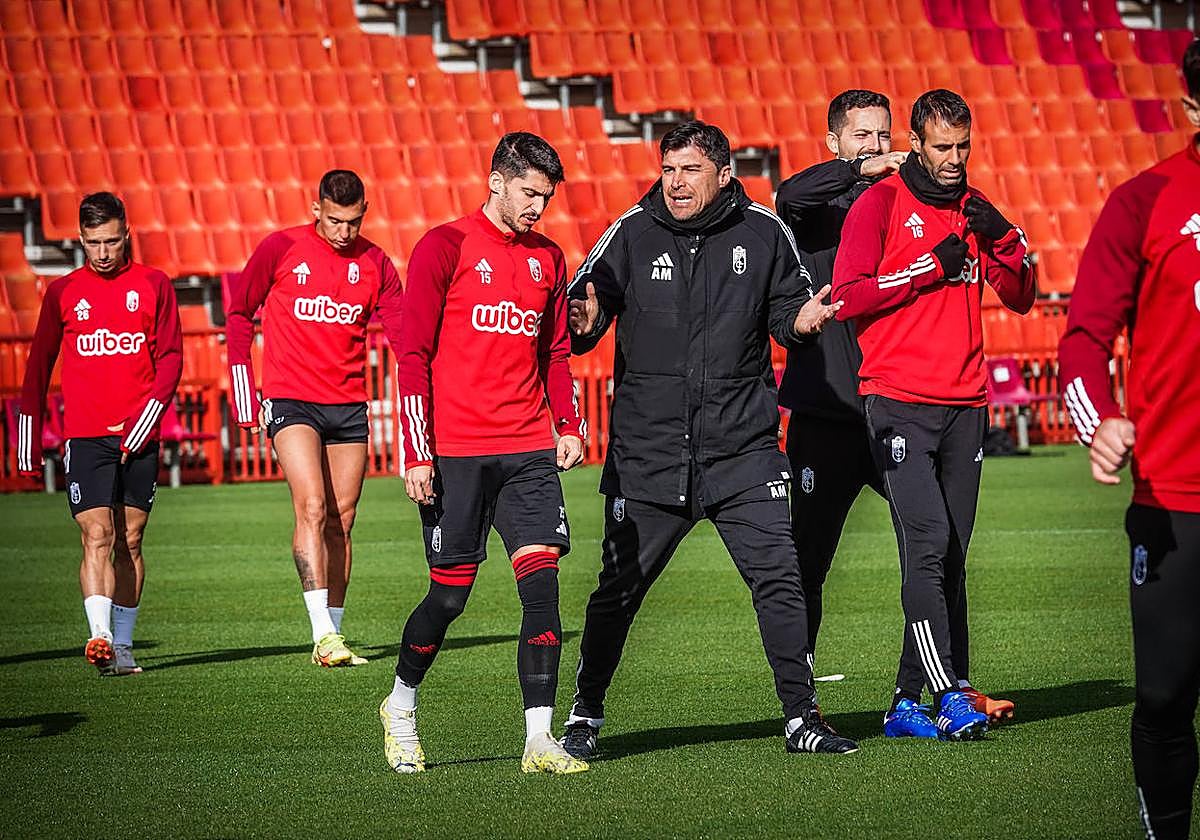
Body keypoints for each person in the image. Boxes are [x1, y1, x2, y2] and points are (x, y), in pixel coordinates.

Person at [561, 120, 856, 759]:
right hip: (649, 453)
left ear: (722, 174)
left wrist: (801, 323)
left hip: (742, 451)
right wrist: (582, 319)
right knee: (616, 592)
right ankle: (584, 714)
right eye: (668, 171)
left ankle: (802, 718)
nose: (676, 184)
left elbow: (788, 312)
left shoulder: (763, 232)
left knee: (780, 578)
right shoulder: (632, 230)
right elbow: (586, 306)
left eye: (689, 171)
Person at [777, 90, 1013, 738]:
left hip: (899, 405)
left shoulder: (910, 205)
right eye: (860, 136)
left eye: (883, 135)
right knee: (809, 560)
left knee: (937, 549)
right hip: (828, 411)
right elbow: (786, 195)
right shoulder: (818, 208)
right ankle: (804, 702)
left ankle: (926, 692)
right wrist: (859, 173)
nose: (875, 146)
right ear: (835, 143)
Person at [379, 132, 588, 776]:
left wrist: (568, 422)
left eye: (545, 198)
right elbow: (412, 356)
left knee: (543, 589)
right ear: (496, 180)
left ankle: (539, 740)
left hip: (527, 448)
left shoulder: (548, 258)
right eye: (528, 194)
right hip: (456, 452)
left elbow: (553, 352)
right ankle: (401, 703)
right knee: (449, 596)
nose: (537, 208)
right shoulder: (444, 246)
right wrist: (418, 452)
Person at [831, 89, 1035, 741]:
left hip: (965, 405)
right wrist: (926, 268)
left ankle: (905, 703)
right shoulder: (880, 203)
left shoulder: (973, 210)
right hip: (896, 401)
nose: (953, 159)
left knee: (950, 557)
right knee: (928, 544)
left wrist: (1001, 233)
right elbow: (848, 296)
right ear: (914, 144)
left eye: (962, 147)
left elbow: (1022, 295)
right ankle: (948, 692)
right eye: (941, 147)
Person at [1058, 39, 1200, 839]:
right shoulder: (1144, 201)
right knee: (1164, 698)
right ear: (1189, 111)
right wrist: (1099, 419)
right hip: (1175, 501)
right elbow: (1083, 336)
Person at [225, 170, 403, 668]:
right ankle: (320, 632)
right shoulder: (280, 249)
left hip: (348, 404)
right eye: (333, 220)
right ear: (315, 209)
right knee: (310, 505)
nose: (343, 232)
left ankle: (336, 634)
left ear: (363, 212)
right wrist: (245, 392)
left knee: (341, 522)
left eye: (352, 222)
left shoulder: (376, 263)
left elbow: (406, 339)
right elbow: (239, 314)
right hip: (290, 400)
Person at [17, 192, 182, 676]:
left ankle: (124, 648)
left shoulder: (154, 285)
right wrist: (27, 436)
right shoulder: (63, 292)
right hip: (87, 437)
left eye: (111, 241)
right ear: (81, 239)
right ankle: (101, 636)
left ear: (126, 234)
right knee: (96, 534)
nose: (103, 252)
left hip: (140, 432)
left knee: (130, 539)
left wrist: (148, 417)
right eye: (94, 243)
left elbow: (171, 357)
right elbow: (38, 364)